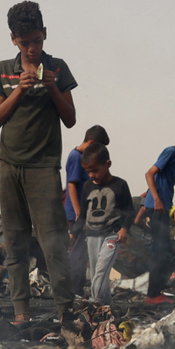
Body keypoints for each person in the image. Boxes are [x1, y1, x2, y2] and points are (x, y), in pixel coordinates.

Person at [0, 0, 78, 325]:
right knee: (15, 241)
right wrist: (18, 92)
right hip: (9, 166)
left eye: (37, 40)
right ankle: (21, 313)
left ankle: (66, 310)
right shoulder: (3, 69)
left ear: (45, 34)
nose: (32, 48)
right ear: (14, 39)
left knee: (53, 240)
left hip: (43, 168)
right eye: (25, 42)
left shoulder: (58, 68)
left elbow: (70, 119)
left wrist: (52, 87)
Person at [71, 143, 133, 307]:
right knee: (95, 274)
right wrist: (72, 234)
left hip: (111, 235)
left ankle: (95, 304)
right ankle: (108, 307)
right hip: (91, 236)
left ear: (108, 164)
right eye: (88, 171)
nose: (92, 175)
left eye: (95, 170)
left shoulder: (120, 185)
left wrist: (124, 228)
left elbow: (129, 210)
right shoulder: (87, 186)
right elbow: (83, 214)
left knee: (101, 271)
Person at [142, 137, 175, 305]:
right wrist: (156, 199)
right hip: (157, 208)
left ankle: (157, 290)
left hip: (161, 209)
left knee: (165, 251)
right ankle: (152, 295)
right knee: (159, 252)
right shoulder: (170, 151)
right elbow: (149, 174)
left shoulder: (174, 158)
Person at [64, 125, 110, 297]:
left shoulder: (77, 155)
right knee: (79, 253)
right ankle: (73, 292)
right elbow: (71, 185)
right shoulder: (77, 157)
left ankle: (76, 289)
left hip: (85, 212)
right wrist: (78, 213)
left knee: (83, 253)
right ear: (91, 142)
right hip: (79, 212)